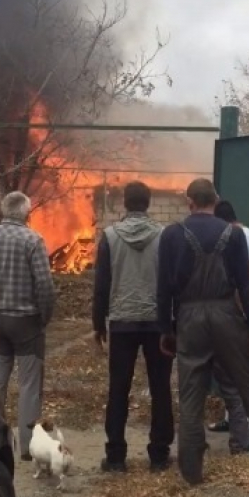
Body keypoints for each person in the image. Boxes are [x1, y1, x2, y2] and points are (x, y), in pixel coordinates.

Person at [156, 178, 249, 485]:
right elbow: (245, 284)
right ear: (215, 202)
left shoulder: (172, 235)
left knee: (191, 395)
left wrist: (166, 330)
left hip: (189, 317)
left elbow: (163, 290)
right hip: (227, 315)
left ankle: (191, 472)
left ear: (190, 202)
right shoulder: (234, 234)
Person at [92, 181, 174, 473]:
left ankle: (115, 457)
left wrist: (97, 323)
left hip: (122, 322)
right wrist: (170, 322)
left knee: (118, 389)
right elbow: (170, 280)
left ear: (125, 203)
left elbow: (101, 284)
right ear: (148, 202)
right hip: (156, 323)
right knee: (161, 388)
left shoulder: (110, 236)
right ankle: (160, 455)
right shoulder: (165, 236)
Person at [0, 191, 56, 460]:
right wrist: (44, 316)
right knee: (29, 385)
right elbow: (44, 285)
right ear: (26, 212)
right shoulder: (32, 240)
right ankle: (28, 448)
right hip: (26, 322)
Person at [206, 199, 249, 453]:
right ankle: (236, 421)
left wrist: (248, 316)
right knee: (236, 364)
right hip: (242, 309)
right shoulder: (237, 234)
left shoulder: (242, 235)